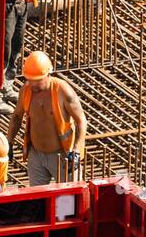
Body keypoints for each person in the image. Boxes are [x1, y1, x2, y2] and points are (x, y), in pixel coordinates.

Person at [7, 51, 87, 187]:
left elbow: (81, 121)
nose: (33, 85)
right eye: (30, 80)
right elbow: (16, 117)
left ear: (48, 74)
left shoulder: (62, 91)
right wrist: (9, 141)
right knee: (37, 200)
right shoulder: (26, 90)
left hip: (62, 156)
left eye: (37, 80)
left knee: (68, 200)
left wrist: (76, 150)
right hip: (36, 155)